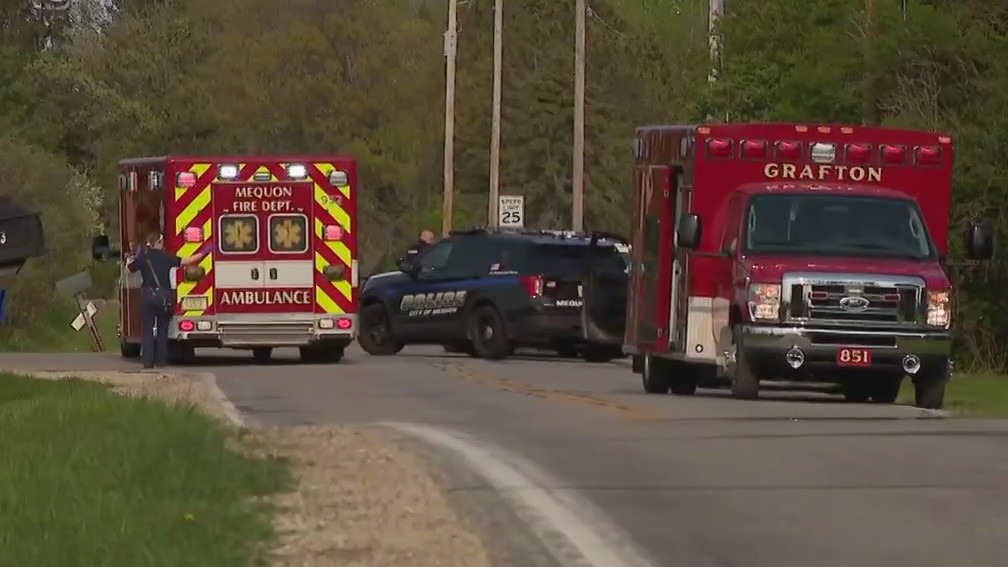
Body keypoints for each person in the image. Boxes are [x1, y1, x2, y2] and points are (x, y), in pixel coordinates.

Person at [126, 232, 207, 369]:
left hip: (147, 296)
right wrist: (204, 252)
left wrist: (129, 260)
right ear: (158, 242)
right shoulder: (167, 257)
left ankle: (147, 362)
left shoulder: (144, 258)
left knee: (148, 331)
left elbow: (130, 269)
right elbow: (186, 261)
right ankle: (161, 362)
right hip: (163, 297)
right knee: (162, 330)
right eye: (161, 241)